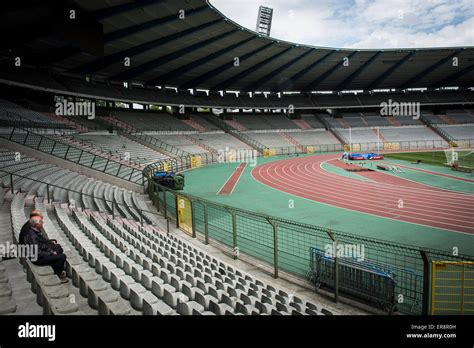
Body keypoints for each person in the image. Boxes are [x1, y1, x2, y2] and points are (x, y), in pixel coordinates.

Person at [23, 215, 68, 283]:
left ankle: (56, 266)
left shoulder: (34, 230)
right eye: (41, 222)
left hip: (40, 251)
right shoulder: (33, 237)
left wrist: (50, 243)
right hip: (38, 258)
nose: (42, 223)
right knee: (62, 256)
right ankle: (58, 274)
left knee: (58, 247)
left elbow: (42, 242)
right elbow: (38, 252)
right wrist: (51, 253)